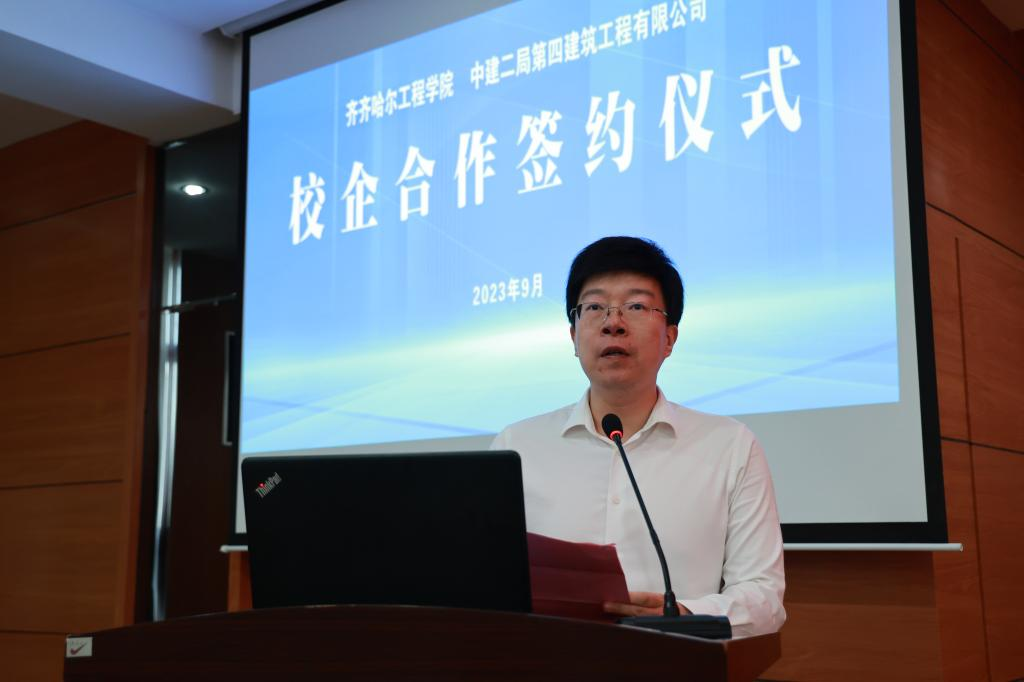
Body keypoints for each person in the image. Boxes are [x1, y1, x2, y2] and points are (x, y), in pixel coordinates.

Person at [491, 236, 785, 637]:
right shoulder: (516, 447)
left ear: (670, 338)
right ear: (573, 336)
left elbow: (763, 597)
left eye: (636, 306)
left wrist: (685, 613)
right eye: (594, 307)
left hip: (674, 659)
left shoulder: (730, 446)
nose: (612, 322)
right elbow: (486, 583)